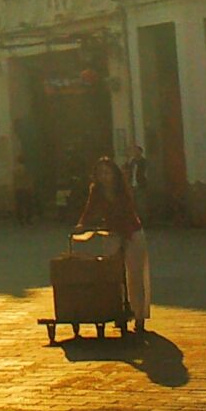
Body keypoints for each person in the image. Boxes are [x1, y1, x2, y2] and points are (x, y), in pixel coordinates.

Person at [78, 154, 150, 336]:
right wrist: (81, 225)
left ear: (114, 174)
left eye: (107, 172)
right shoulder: (96, 190)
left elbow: (126, 211)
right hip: (112, 232)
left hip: (132, 231)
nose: (104, 176)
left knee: (135, 275)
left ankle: (139, 316)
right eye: (100, 173)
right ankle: (117, 312)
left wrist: (121, 231)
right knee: (112, 275)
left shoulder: (122, 189)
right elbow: (89, 209)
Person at [126, 143, 153, 225]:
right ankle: (136, 220)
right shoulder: (132, 162)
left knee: (142, 204)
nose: (135, 153)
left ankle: (145, 221)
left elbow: (145, 172)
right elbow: (129, 171)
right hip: (133, 185)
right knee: (134, 204)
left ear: (140, 152)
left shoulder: (143, 161)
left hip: (141, 184)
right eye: (134, 151)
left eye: (137, 151)